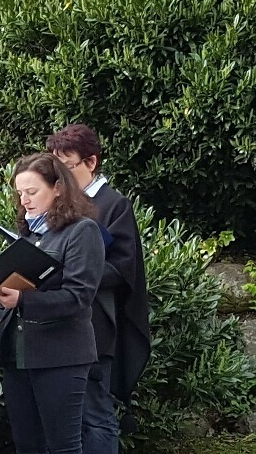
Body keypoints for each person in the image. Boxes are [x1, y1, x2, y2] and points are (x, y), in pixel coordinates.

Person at [47, 124, 150, 454]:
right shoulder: (57, 204)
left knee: (94, 413)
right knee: (65, 416)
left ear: (91, 162)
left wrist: (76, 272)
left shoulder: (113, 205)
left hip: (96, 326)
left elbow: (123, 267)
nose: (61, 177)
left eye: (67, 166)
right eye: (55, 168)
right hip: (59, 322)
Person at [0, 153, 104, 454]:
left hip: (60, 354)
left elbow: (79, 296)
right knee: (27, 445)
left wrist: (22, 299)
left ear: (57, 188)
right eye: (20, 193)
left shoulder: (82, 231)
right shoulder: (28, 234)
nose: (24, 200)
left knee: (63, 446)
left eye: (32, 191)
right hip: (18, 354)